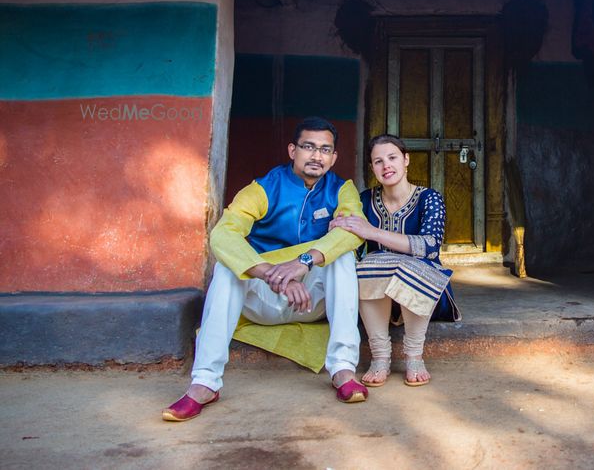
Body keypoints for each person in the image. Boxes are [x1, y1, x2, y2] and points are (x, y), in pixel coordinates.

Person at [162, 117, 368, 422]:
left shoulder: (342, 190)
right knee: (225, 269)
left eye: (325, 150)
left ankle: (343, 369)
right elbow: (224, 233)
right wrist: (268, 273)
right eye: (308, 147)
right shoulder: (264, 188)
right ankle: (204, 382)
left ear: (334, 157)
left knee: (344, 257)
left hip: (310, 300)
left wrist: (302, 264)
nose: (316, 156)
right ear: (292, 150)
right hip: (264, 297)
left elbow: (353, 230)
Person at [330, 134, 460, 388]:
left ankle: (414, 356)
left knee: (413, 264)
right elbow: (352, 243)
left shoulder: (429, 199)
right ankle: (380, 357)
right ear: (372, 168)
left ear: (406, 160)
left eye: (392, 158)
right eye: (378, 161)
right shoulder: (364, 200)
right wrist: (339, 224)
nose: (386, 166)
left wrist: (373, 233)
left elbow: (430, 247)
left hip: (424, 293)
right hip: (377, 296)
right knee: (366, 265)